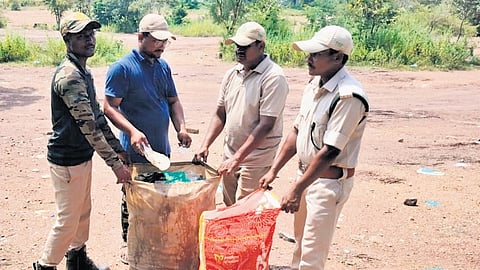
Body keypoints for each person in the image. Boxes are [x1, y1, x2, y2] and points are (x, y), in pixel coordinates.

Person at [259, 25, 369, 270]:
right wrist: (273, 170)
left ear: (337, 57)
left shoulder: (348, 96)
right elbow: (297, 132)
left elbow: (330, 150)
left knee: (312, 254)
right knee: (300, 245)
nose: (308, 59)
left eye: (316, 54)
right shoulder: (314, 86)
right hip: (307, 176)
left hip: (328, 183)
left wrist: (296, 189)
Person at [33, 12, 132, 270]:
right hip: (66, 159)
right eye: (81, 36)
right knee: (67, 220)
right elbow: (88, 126)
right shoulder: (70, 76)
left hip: (80, 157)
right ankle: (45, 265)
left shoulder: (82, 72)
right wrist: (115, 164)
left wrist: (119, 150)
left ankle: (77, 260)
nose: (90, 40)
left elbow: (98, 117)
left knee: (83, 213)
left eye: (91, 34)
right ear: (67, 40)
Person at [103, 13, 192, 264]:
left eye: (165, 42)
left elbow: (173, 101)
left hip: (160, 151)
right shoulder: (122, 68)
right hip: (135, 151)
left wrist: (181, 128)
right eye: (156, 41)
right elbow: (109, 107)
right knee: (133, 199)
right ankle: (128, 243)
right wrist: (132, 131)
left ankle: (153, 239)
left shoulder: (163, 66)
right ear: (141, 37)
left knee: (160, 197)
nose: (162, 46)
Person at [193, 22, 289, 206]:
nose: (239, 51)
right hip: (230, 154)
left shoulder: (273, 77)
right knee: (229, 206)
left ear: (261, 46)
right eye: (237, 46)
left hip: (255, 158)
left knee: (246, 210)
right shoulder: (232, 74)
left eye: (245, 47)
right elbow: (221, 113)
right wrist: (205, 145)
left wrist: (238, 159)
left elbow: (266, 125)